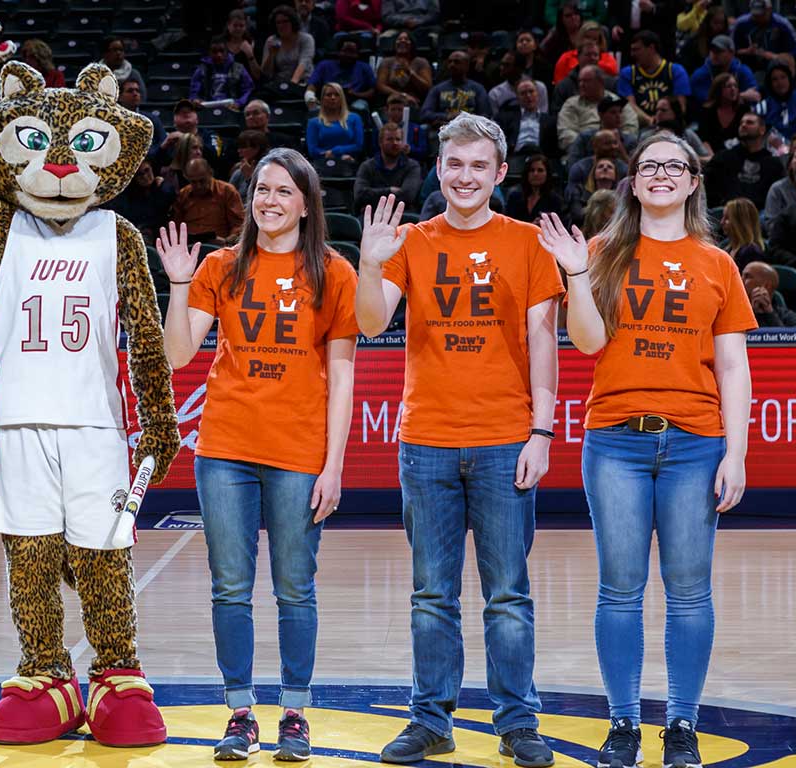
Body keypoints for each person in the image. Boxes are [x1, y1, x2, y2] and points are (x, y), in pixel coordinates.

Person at [536, 131, 755, 768]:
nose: (660, 174)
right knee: (620, 589)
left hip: (695, 441)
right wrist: (576, 273)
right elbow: (586, 342)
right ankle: (624, 723)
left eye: (673, 166)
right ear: (633, 182)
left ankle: (681, 724)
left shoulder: (717, 264)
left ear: (692, 182)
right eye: (648, 165)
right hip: (615, 442)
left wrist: (736, 452)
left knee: (690, 591)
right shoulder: (599, 252)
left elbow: (734, 368)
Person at [358, 113, 560, 767]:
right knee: (431, 594)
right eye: (454, 164)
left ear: (500, 172)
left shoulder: (528, 243)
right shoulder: (411, 241)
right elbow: (370, 322)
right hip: (427, 441)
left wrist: (542, 432)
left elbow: (542, 340)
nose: (465, 176)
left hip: (506, 440)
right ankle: (430, 719)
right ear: (438, 169)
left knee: (508, 592)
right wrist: (368, 261)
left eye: (479, 165)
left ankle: (517, 722)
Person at [157, 147, 356, 762]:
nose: (270, 200)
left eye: (284, 191)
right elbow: (176, 354)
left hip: (299, 452)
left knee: (295, 588)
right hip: (225, 448)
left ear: (305, 203)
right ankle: (240, 713)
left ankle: (294, 713)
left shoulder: (333, 272)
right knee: (230, 587)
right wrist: (178, 284)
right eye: (262, 189)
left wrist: (334, 465)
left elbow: (343, 376)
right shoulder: (219, 266)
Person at [705, 113, 785, 207]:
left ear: (762, 130)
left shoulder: (773, 164)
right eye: (741, 123)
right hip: (725, 213)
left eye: (749, 122)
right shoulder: (724, 157)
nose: (743, 125)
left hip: (759, 216)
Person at [618, 31, 690, 125]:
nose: (632, 54)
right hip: (640, 127)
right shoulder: (628, 73)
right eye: (632, 50)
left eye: (636, 50)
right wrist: (650, 120)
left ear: (651, 48)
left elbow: (681, 107)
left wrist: (663, 122)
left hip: (671, 124)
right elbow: (629, 106)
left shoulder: (675, 70)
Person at [560, 68, 640, 149]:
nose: (581, 84)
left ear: (600, 82)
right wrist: (595, 144)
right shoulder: (571, 104)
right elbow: (566, 134)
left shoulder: (617, 102)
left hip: (617, 149)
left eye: (586, 81)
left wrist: (613, 143)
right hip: (583, 150)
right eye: (580, 81)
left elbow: (631, 128)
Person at [171, 158, 245, 245]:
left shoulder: (227, 191)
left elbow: (239, 225)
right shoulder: (183, 195)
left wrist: (227, 241)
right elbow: (175, 226)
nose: (198, 186)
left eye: (202, 181)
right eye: (193, 182)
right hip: (189, 248)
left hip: (219, 247)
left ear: (210, 173)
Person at [355, 122, 423, 210]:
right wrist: (390, 190)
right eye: (389, 139)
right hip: (372, 215)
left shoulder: (412, 166)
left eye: (398, 139)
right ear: (380, 142)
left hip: (404, 216)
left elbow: (408, 196)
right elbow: (359, 195)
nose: (394, 143)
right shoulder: (367, 166)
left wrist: (373, 195)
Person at [421, 50, 492, 126]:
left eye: (456, 62)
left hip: (470, 130)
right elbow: (425, 113)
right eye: (450, 62)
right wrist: (447, 116)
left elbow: (485, 115)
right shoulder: (437, 89)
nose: (452, 65)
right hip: (443, 129)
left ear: (467, 65)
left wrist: (464, 118)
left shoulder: (478, 89)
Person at [307, 39, 377, 112]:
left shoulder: (364, 68)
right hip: (328, 101)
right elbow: (311, 86)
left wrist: (355, 94)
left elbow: (372, 92)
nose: (348, 55)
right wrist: (310, 98)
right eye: (345, 51)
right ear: (338, 52)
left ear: (358, 54)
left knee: (360, 107)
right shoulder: (324, 65)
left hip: (354, 101)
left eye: (352, 52)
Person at [732, 0, 796, 74]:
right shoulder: (741, 24)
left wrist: (775, 57)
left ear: (769, 10)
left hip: (778, 68)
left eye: (762, 15)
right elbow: (730, 51)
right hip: (749, 68)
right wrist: (747, 51)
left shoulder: (782, 24)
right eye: (755, 15)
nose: (758, 18)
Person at [497, 79, 558, 159]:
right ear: (517, 97)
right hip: (515, 157)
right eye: (523, 93)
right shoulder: (506, 119)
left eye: (531, 91)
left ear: (537, 94)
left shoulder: (551, 121)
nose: (528, 96)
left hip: (541, 159)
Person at [306, 83, 364, 163]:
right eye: (329, 95)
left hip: (349, 161)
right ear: (322, 99)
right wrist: (332, 155)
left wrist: (336, 151)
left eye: (337, 95)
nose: (333, 97)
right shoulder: (313, 122)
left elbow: (358, 145)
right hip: (323, 163)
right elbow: (312, 150)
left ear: (342, 98)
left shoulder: (355, 118)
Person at [259, 5, 315, 88]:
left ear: (293, 22)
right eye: (278, 22)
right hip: (279, 84)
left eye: (285, 21)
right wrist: (271, 55)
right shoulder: (271, 41)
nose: (281, 25)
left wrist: (292, 85)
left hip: (302, 82)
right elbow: (266, 73)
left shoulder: (306, 39)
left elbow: (303, 64)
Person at [191, 38, 254, 111]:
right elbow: (194, 92)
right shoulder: (201, 69)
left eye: (222, 51)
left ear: (227, 52)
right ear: (209, 53)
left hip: (232, 109)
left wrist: (239, 103)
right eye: (214, 52)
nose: (219, 55)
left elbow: (248, 89)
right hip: (207, 109)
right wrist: (195, 100)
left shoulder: (239, 68)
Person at [376, 30, 433, 104]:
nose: (402, 41)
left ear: (412, 44)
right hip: (392, 102)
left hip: (415, 101)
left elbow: (428, 87)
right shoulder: (387, 62)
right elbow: (380, 86)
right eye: (399, 39)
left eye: (406, 39)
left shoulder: (421, 62)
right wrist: (403, 96)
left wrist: (410, 72)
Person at [506, 155, 565, 224]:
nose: (535, 174)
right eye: (531, 170)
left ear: (547, 174)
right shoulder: (515, 197)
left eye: (540, 170)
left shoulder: (555, 201)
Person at [741, 261, 796, 327]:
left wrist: (770, 313)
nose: (740, 280)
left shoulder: (789, 317)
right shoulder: (732, 312)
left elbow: (784, 337)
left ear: (766, 286)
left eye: (747, 277)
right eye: (741, 275)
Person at [722, 197, 767, 269]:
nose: (722, 222)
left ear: (740, 222)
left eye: (727, 218)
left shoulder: (752, 253)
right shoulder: (727, 249)